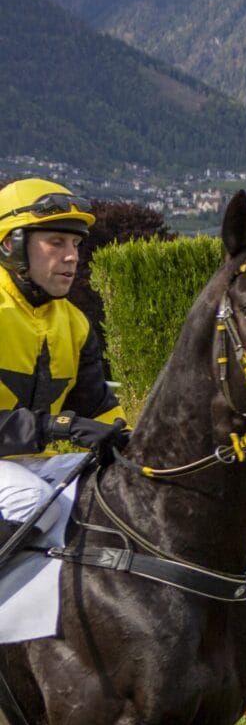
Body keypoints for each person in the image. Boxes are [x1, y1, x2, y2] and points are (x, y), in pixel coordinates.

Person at [0, 180, 127, 547]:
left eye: (75, 243)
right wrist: (55, 426)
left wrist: (132, 444)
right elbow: (63, 423)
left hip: (27, 464)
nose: (72, 256)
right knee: (34, 503)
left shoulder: (73, 322)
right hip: (19, 478)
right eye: (56, 242)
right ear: (11, 244)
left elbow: (97, 407)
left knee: (119, 488)